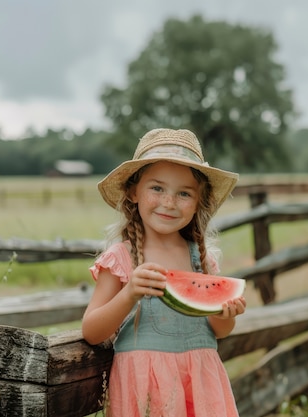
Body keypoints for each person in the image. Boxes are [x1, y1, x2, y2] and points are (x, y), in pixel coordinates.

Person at [81, 128, 247, 417]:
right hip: (144, 387)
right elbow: (92, 331)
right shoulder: (121, 258)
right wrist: (129, 294)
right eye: (157, 188)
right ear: (133, 192)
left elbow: (219, 333)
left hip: (201, 383)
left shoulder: (202, 259)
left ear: (198, 202)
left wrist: (223, 315)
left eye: (184, 193)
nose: (169, 203)